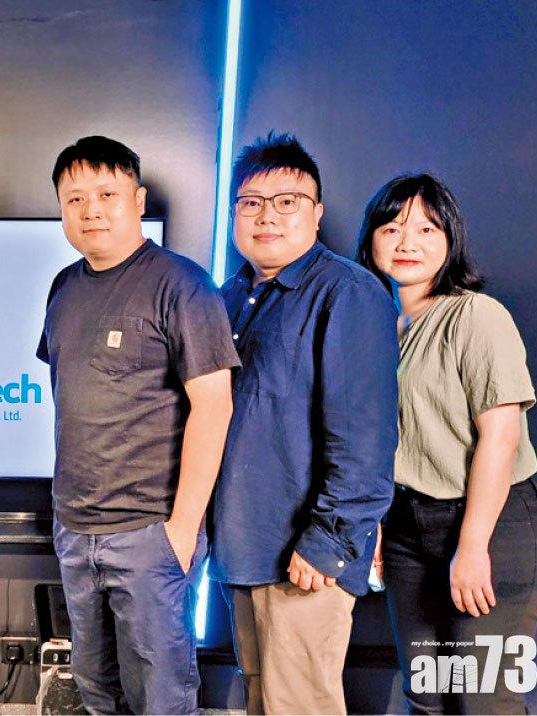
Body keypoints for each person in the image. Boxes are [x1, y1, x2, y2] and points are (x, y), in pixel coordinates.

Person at [37, 136, 238, 714]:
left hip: (149, 532)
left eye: (107, 194)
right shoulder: (64, 286)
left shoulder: (182, 284)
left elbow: (214, 406)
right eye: (75, 198)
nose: (91, 210)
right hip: (76, 527)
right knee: (96, 687)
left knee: (160, 696)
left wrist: (182, 529)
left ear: (138, 199)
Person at [210, 132, 397, 714]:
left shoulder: (348, 293)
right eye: (251, 203)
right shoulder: (230, 296)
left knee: (299, 704)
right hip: (242, 547)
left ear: (316, 213)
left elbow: (365, 436)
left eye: (287, 201)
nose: (267, 216)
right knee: (263, 698)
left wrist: (329, 543)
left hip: (304, 557)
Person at [356, 173, 537, 714]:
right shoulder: (374, 326)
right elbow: (377, 440)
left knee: (481, 700)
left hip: (490, 527)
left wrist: (471, 547)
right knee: (427, 697)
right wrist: (377, 522)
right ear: (371, 239)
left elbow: (501, 436)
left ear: (450, 241)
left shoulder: (476, 316)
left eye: (426, 229)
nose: (407, 242)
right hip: (407, 530)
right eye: (392, 228)